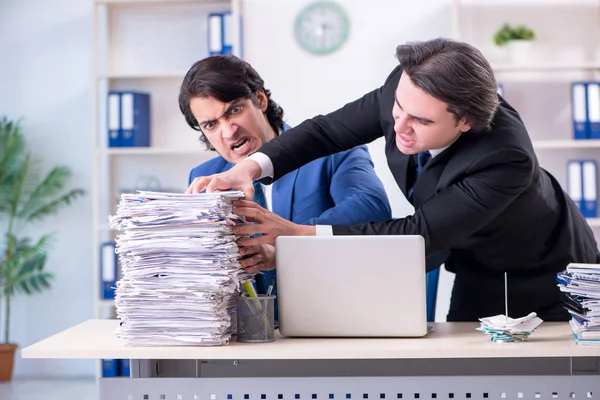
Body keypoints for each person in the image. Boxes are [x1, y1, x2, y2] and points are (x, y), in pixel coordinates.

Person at [187, 38, 600, 322]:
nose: (398, 127)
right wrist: (247, 168)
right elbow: (327, 131)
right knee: (471, 373)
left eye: (419, 121)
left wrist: (295, 236)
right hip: (472, 262)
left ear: (466, 122)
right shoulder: (408, 88)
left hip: (547, 273)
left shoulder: (504, 158)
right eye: (397, 109)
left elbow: (415, 233)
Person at [179, 54, 392, 317]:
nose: (228, 131)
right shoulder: (204, 179)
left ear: (260, 100)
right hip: (245, 338)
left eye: (234, 110)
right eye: (211, 124)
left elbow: (372, 207)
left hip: (330, 322)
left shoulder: (332, 152)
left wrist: (287, 243)